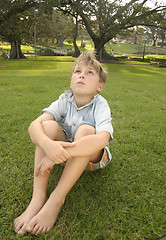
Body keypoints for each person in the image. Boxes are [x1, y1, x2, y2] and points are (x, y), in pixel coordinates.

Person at [14, 52, 113, 236]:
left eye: (89, 72)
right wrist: (48, 145)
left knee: (85, 131)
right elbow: (34, 126)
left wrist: (57, 155)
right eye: (77, 71)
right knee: (48, 126)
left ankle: (56, 200)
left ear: (100, 86)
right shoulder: (64, 100)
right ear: (71, 80)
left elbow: (102, 139)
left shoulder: (100, 105)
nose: (81, 75)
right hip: (63, 154)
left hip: (93, 159)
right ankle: (38, 197)